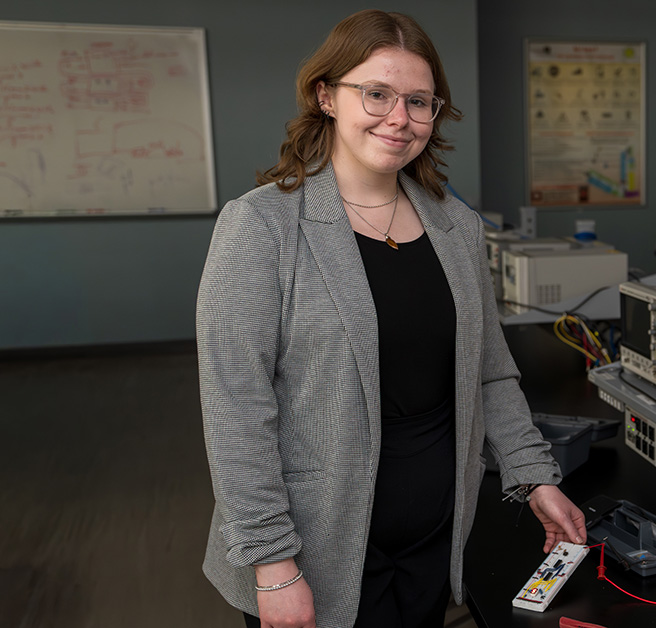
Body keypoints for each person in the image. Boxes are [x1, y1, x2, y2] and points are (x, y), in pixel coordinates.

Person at [196, 10, 587, 628]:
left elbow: (489, 372)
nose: (399, 117)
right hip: (314, 551)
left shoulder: (454, 224)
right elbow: (236, 406)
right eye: (376, 93)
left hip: (434, 541)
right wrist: (273, 561)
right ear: (326, 95)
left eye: (419, 101)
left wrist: (535, 475)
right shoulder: (263, 223)